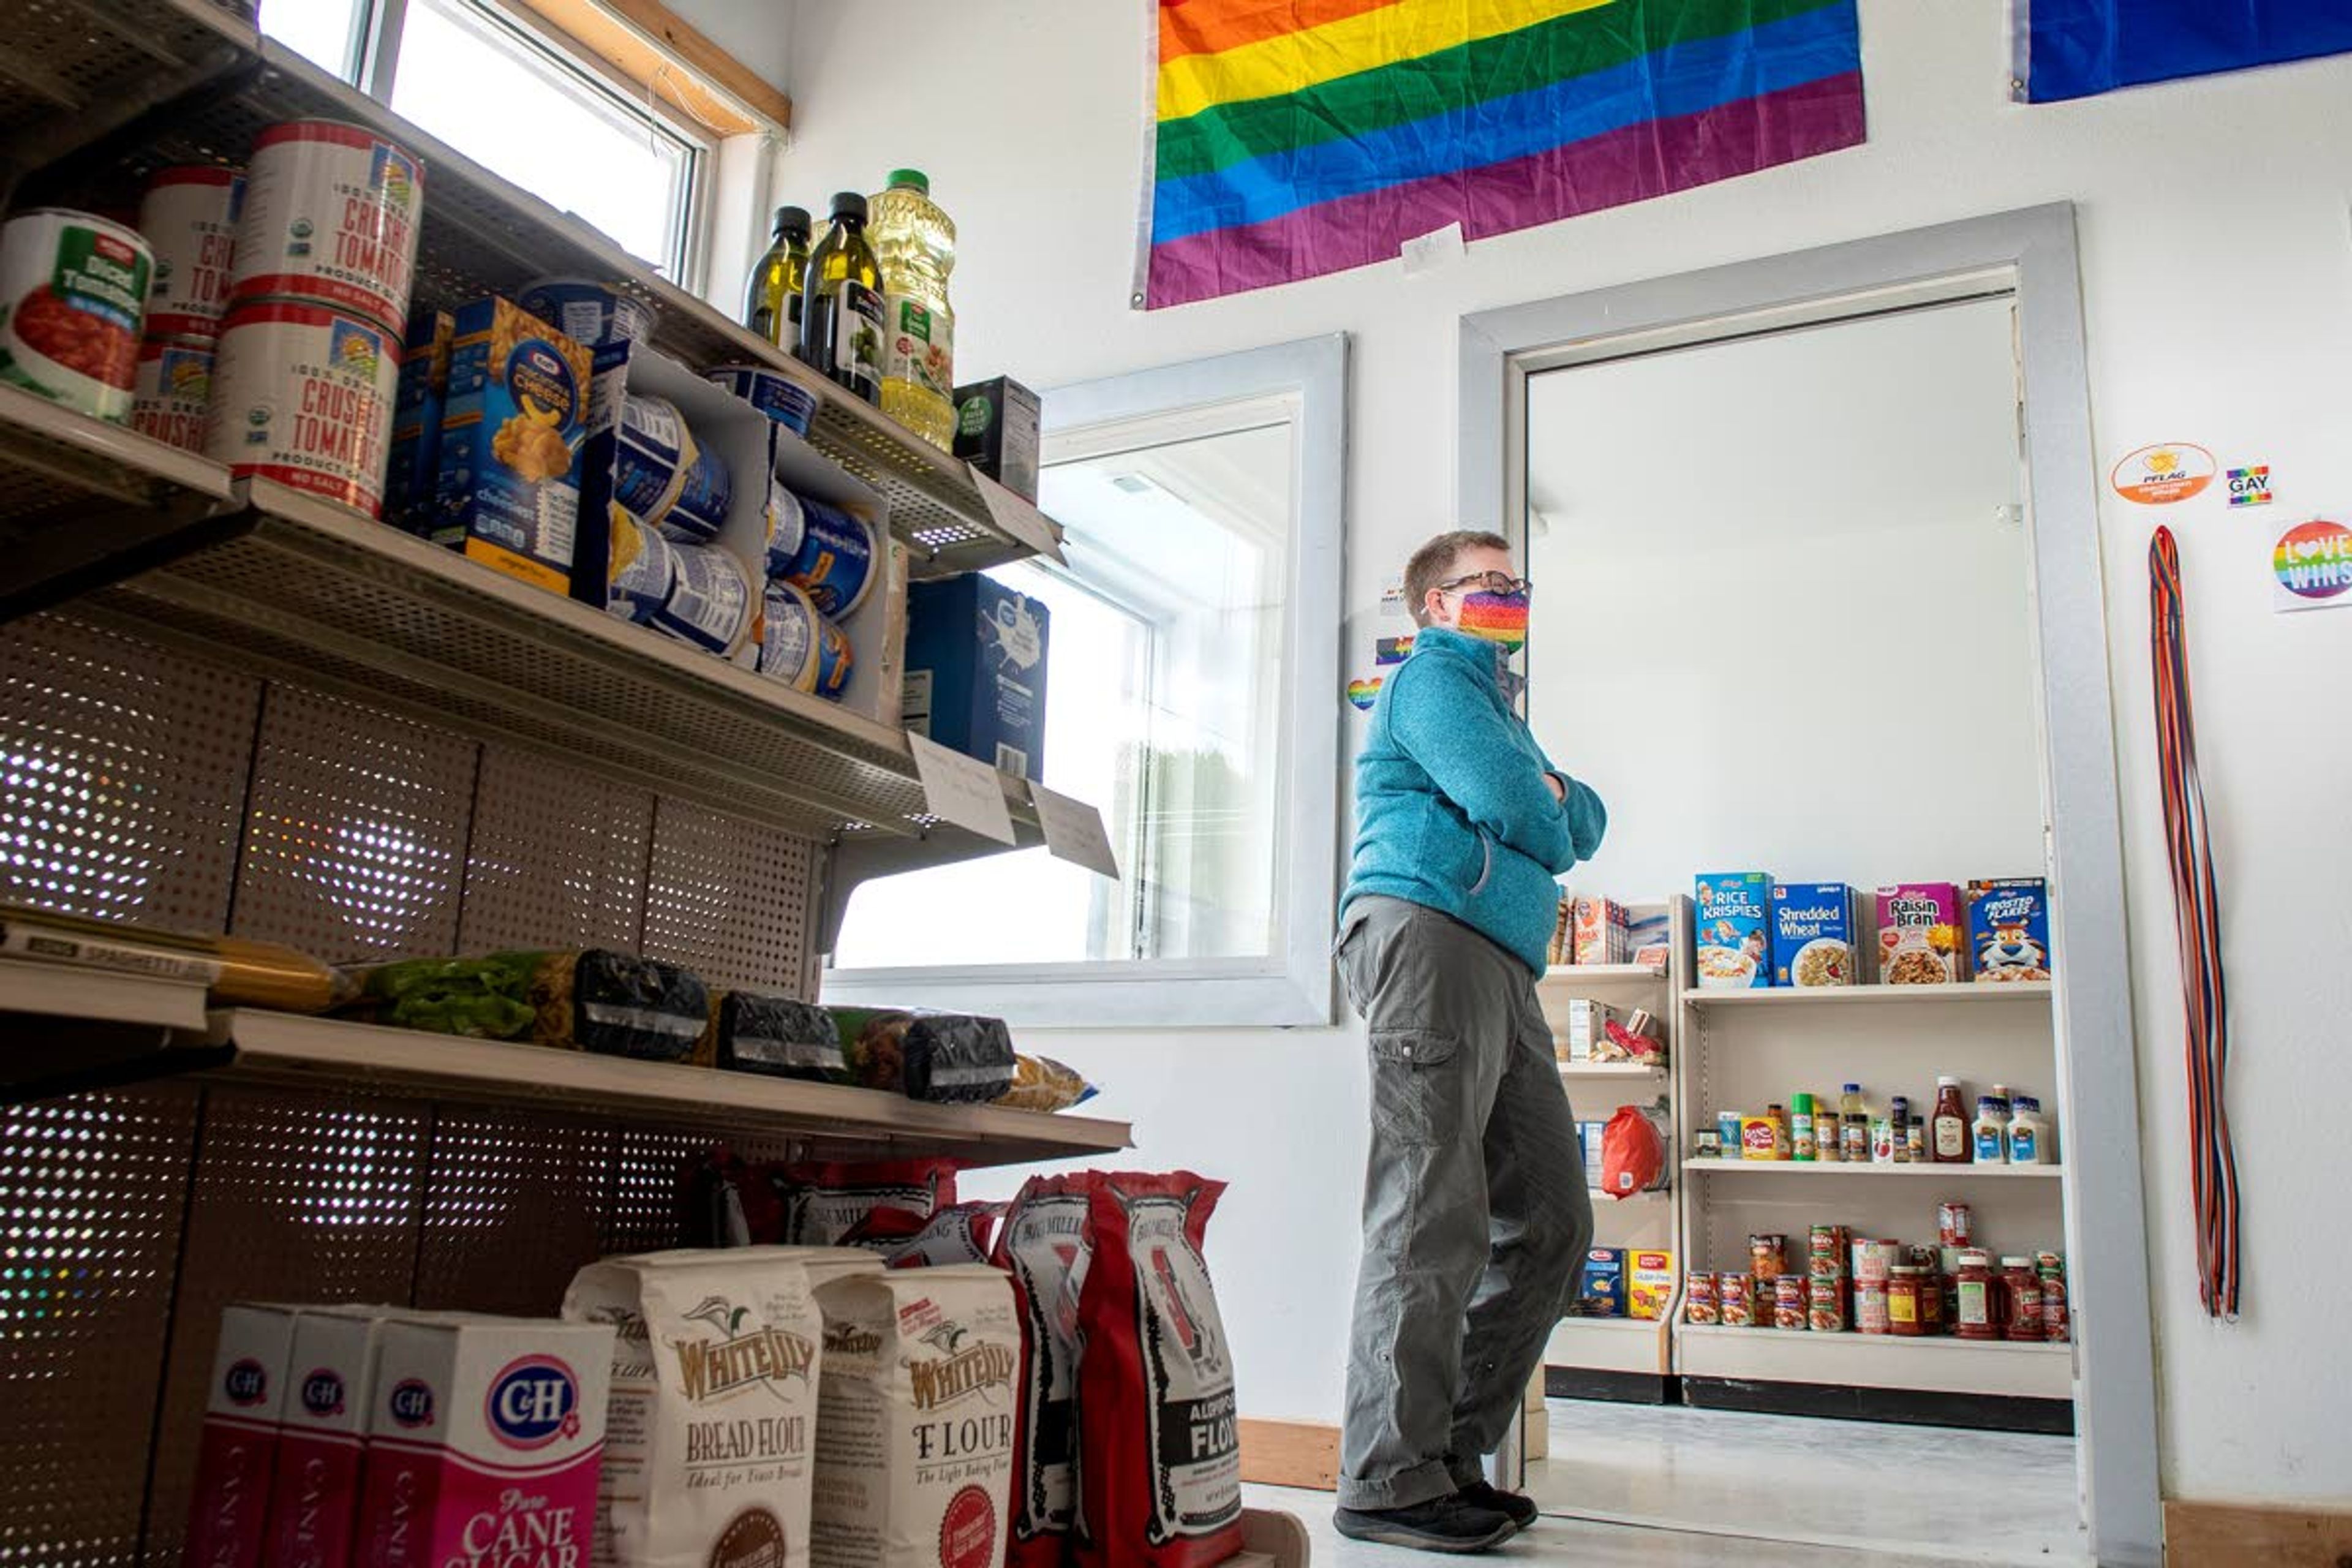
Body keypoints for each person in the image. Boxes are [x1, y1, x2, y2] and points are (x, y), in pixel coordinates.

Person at [1332, 530, 1608, 1554]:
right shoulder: (1434, 681)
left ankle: (1444, 1452)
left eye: (1515, 583)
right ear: (1435, 607)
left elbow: (1586, 818)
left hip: (1498, 958)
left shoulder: (1498, 709)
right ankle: (1387, 1476)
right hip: (1429, 932)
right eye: (1484, 584)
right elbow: (1517, 806)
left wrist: (1552, 798)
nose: (1506, 597)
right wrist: (1544, 798)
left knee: (1549, 1218)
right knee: (1428, 1213)